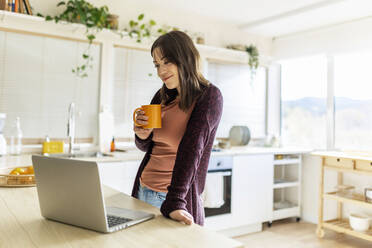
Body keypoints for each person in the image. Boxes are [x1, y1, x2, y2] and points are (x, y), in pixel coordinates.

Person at [132, 31, 223, 226]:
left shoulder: (209, 97)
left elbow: (192, 149)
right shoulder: (162, 96)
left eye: (166, 62)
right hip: (143, 188)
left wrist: (175, 201)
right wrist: (142, 136)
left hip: (174, 198)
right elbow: (148, 147)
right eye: (157, 65)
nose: (160, 71)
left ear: (185, 58)